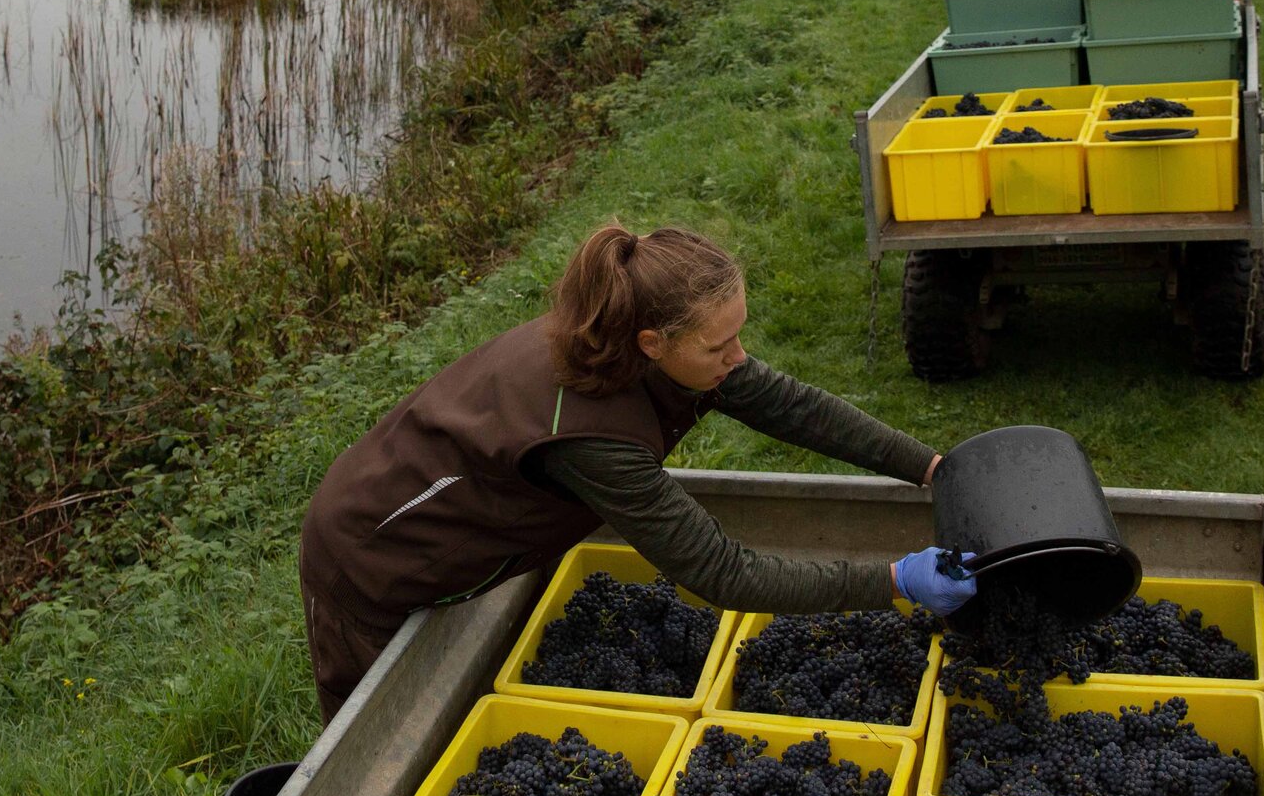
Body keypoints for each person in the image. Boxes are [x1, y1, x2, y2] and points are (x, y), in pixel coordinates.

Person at [298, 224, 977, 718]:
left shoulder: (641, 335)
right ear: (654, 344)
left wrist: (930, 466)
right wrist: (894, 579)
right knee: (386, 745)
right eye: (721, 344)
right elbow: (722, 571)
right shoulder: (590, 432)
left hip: (463, 521)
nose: (738, 356)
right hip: (370, 554)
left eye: (739, 333)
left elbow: (790, 405)